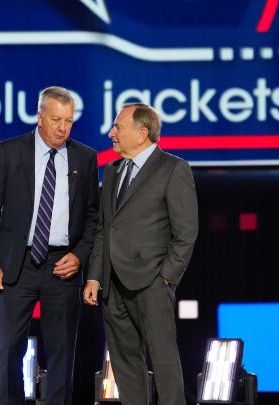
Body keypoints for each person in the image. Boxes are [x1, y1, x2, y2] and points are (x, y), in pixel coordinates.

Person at [0, 86, 99, 405]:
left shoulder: (85, 158)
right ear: (40, 116)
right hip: (16, 264)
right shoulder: (10, 150)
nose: (63, 128)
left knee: (61, 352)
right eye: (56, 119)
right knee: (9, 350)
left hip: (62, 266)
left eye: (69, 121)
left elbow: (92, 218)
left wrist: (79, 255)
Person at [83, 103, 198, 405]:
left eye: (118, 127)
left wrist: (166, 277)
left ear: (142, 133)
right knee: (123, 363)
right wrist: (94, 277)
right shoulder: (111, 171)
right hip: (112, 285)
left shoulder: (174, 169)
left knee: (163, 362)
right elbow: (104, 229)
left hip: (152, 283)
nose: (111, 133)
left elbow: (185, 233)